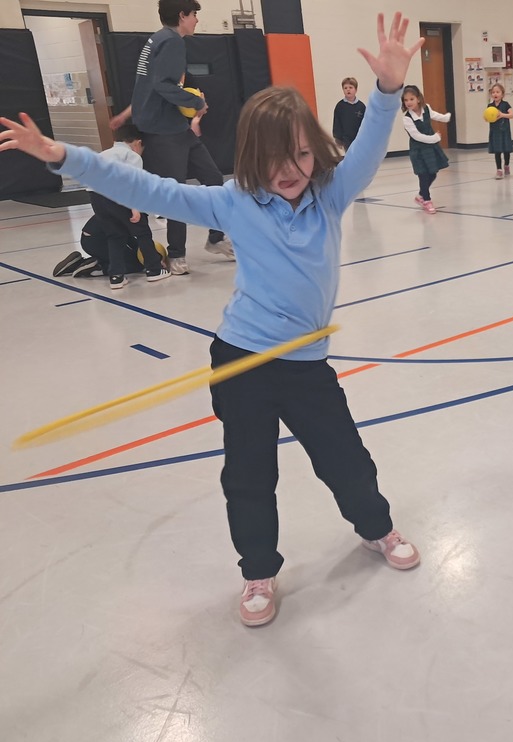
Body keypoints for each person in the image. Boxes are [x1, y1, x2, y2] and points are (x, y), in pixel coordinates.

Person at [2, 11, 424, 627]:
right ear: (251, 157)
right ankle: (258, 570)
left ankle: (376, 528)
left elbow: (365, 150)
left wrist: (387, 90)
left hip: (306, 366)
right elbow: (149, 191)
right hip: (241, 360)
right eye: (276, 158)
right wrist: (64, 156)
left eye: (302, 154)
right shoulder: (233, 202)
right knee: (248, 474)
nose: (290, 169)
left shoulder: (329, 195)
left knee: (345, 459)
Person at [116, 0, 235, 275]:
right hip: (162, 132)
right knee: (176, 192)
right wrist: (196, 103)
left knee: (213, 179)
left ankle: (215, 237)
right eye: (194, 14)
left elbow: (147, 86)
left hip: (177, 128)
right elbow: (162, 85)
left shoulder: (156, 40)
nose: (196, 20)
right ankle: (177, 254)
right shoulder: (171, 42)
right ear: (182, 15)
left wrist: (126, 114)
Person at [64, 123, 171, 288]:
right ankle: (154, 270)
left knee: (114, 236)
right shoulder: (131, 156)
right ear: (137, 143)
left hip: (96, 197)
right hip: (118, 196)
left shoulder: (102, 154)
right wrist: (135, 208)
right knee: (142, 233)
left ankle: (116, 277)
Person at [53, 216, 167, 280]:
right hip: (98, 241)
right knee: (135, 265)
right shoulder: (133, 209)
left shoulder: (115, 199)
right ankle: (97, 268)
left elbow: (129, 238)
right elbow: (141, 237)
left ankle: (79, 262)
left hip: (89, 238)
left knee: (129, 255)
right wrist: (153, 261)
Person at [401, 84, 450, 214]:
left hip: (430, 148)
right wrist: (434, 138)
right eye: (406, 100)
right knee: (423, 175)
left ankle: (420, 195)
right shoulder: (407, 118)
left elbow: (435, 115)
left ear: (418, 99)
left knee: (433, 173)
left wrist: (446, 117)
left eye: (411, 99)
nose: (408, 102)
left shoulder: (426, 108)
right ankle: (427, 200)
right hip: (418, 151)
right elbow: (417, 136)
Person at [487, 83, 513, 179]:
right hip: (495, 132)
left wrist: (502, 115)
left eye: (497, 92)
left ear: (502, 94)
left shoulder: (506, 104)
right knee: (497, 151)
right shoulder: (490, 106)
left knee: (506, 150)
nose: (495, 94)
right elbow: (487, 117)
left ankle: (506, 165)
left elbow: (512, 115)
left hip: (504, 131)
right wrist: (487, 118)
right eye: (493, 92)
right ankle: (499, 170)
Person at [332, 76, 366, 151]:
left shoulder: (361, 106)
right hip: (346, 139)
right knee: (350, 155)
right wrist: (338, 138)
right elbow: (337, 122)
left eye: (350, 87)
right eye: (345, 88)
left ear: (356, 90)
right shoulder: (340, 106)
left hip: (360, 138)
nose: (348, 90)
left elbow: (366, 123)